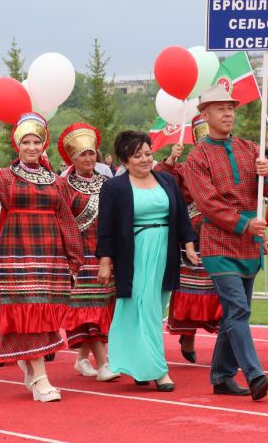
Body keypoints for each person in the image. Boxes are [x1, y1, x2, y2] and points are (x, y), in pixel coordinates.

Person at [0, 112, 84, 402]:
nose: (31, 147)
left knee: (42, 315)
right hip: (18, 254)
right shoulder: (4, 176)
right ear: (18, 145)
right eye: (25, 142)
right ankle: (40, 378)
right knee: (26, 313)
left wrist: (73, 258)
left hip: (51, 256)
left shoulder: (55, 180)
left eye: (36, 142)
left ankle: (31, 367)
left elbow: (66, 219)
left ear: (44, 145)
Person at [185, 85, 268, 401]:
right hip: (218, 244)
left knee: (234, 313)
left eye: (231, 108)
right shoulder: (196, 157)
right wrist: (245, 224)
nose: (228, 113)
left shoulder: (250, 148)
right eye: (220, 108)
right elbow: (208, 203)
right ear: (205, 114)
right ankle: (254, 375)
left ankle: (222, 376)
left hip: (249, 244)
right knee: (238, 309)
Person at [97, 130, 198, 392]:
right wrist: (105, 263)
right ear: (124, 160)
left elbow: (182, 217)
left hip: (165, 251)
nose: (144, 159)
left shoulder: (166, 180)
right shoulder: (114, 187)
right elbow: (106, 228)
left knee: (154, 307)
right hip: (135, 253)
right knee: (144, 309)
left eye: (148, 153)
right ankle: (158, 369)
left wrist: (188, 245)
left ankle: (140, 365)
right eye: (137, 155)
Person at [153, 117, 222, 364]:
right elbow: (159, 177)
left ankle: (225, 344)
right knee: (188, 289)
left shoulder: (226, 167)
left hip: (220, 232)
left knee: (220, 288)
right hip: (192, 236)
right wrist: (172, 159)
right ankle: (187, 335)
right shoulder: (184, 168)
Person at [57, 123, 119, 382]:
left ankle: (82, 358)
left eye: (91, 153)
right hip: (78, 257)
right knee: (88, 309)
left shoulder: (107, 182)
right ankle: (104, 364)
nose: (88, 158)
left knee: (101, 308)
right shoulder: (62, 185)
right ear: (72, 157)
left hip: (104, 253)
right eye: (82, 154)